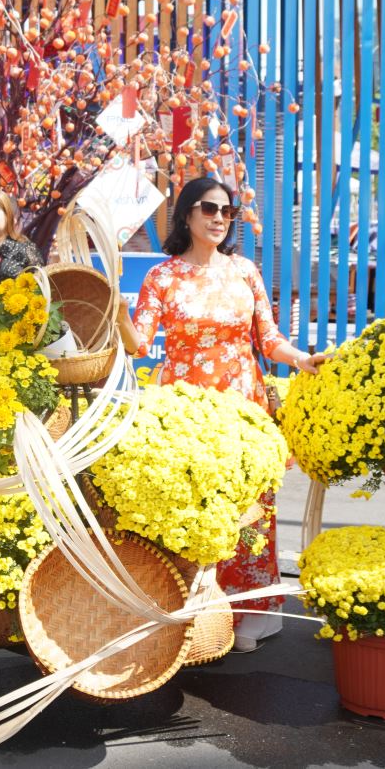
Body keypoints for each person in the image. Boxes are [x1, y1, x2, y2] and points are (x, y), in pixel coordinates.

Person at [117, 176, 328, 654]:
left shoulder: (244, 271)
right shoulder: (162, 277)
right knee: (190, 502)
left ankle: (252, 608)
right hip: (185, 406)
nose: (219, 218)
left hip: (242, 403)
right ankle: (191, 606)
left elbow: (268, 338)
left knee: (252, 505)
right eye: (209, 208)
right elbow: (139, 342)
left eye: (227, 212)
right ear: (187, 214)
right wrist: (114, 304)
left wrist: (302, 360)